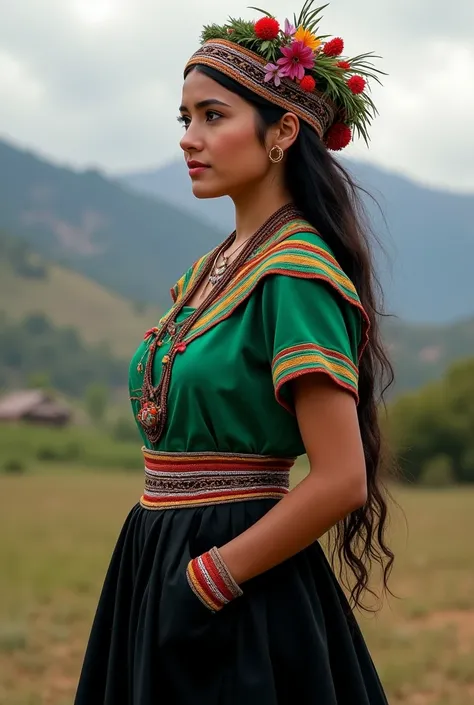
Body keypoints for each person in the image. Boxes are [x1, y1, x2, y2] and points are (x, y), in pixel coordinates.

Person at [74, 3, 395, 703]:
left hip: (236, 585)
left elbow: (342, 478)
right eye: (185, 119)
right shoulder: (206, 270)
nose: (191, 138)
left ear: (282, 129)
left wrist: (206, 580)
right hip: (155, 556)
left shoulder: (295, 275)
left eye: (213, 116)